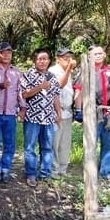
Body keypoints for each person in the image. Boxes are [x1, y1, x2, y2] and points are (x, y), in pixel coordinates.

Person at [76, 45, 110, 180]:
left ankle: (105, 172)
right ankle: (89, 172)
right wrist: (78, 109)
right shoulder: (86, 72)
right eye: (94, 54)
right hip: (93, 111)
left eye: (100, 53)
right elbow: (79, 91)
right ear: (89, 57)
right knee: (91, 142)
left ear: (104, 55)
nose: (97, 56)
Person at [20, 48, 61, 187]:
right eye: (40, 59)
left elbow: (55, 96)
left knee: (47, 147)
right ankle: (31, 174)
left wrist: (58, 113)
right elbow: (24, 94)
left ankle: (45, 174)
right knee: (30, 147)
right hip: (32, 117)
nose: (42, 61)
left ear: (49, 61)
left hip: (48, 117)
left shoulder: (52, 76)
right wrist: (40, 86)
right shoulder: (28, 75)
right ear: (35, 60)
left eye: (45, 59)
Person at [0, 42, 25, 184]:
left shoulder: (16, 72)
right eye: (4, 52)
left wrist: (23, 108)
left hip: (10, 113)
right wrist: (1, 86)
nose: (7, 55)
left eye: (9, 53)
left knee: (9, 143)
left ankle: (6, 168)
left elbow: (20, 91)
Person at [48, 48, 78, 176]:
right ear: (58, 59)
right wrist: (69, 69)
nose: (68, 60)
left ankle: (63, 168)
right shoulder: (53, 71)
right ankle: (53, 169)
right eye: (65, 58)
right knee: (55, 142)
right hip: (56, 111)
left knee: (65, 142)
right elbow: (59, 85)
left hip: (68, 111)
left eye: (69, 58)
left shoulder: (70, 72)